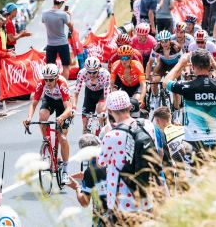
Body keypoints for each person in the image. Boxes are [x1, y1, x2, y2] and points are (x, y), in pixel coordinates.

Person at [96, 91, 162, 223]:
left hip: (121, 197)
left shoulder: (111, 135)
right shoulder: (147, 126)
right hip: (145, 192)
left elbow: (101, 163)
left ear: (110, 111)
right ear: (130, 107)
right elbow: (158, 152)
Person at [163, 50, 216, 167]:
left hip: (193, 138)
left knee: (196, 174)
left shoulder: (188, 86)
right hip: (213, 137)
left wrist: (181, 63)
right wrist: (215, 65)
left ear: (193, 66)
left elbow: (166, 82)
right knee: (210, 172)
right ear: (210, 64)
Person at [23, 63, 73, 184]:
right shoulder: (41, 83)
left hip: (63, 104)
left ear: (56, 77)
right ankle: (47, 142)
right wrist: (29, 117)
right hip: (49, 100)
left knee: (62, 138)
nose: (48, 82)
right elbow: (34, 103)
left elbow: (69, 108)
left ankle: (65, 171)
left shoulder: (62, 84)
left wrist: (61, 117)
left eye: (51, 79)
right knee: (42, 116)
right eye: (46, 79)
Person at [66, 134, 108, 226]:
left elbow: (84, 202)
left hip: (104, 217)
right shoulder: (111, 159)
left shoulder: (91, 171)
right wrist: (84, 176)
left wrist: (76, 187)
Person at [72, 57, 110, 134]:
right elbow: (76, 93)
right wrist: (73, 107)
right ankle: (86, 133)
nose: (91, 75)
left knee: (101, 110)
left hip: (102, 93)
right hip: (89, 93)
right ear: (86, 69)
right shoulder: (82, 73)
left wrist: (104, 110)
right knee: (85, 123)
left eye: (94, 72)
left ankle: (103, 130)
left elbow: (107, 95)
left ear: (99, 68)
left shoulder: (105, 74)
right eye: (89, 72)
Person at [42, 0, 73, 80]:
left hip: (50, 44)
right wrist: (70, 15)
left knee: (50, 67)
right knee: (66, 66)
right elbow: (71, 27)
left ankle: (52, 85)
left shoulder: (44, 14)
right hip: (62, 43)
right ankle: (64, 85)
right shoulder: (63, 14)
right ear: (61, 3)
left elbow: (46, 24)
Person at [110, 45, 147, 111]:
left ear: (131, 57)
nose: (124, 61)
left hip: (137, 86)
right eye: (122, 58)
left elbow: (143, 85)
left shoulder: (137, 65)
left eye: (126, 58)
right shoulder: (115, 65)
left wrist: (141, 99)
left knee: (135, 101)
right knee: (122, 105)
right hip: (125, 86)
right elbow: (111, 83)